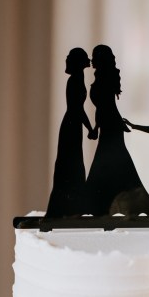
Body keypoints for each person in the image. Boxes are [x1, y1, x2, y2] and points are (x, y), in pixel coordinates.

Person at [85, 45, 149, 216]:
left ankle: (99, 202)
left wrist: (98, 127)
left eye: (94, 56)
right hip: (109, 124)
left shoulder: (104, 79)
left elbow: (106, 106)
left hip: (110, 124)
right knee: (111, 160)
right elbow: (103, 108)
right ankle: (103, 202)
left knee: (109, 160)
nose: (92, 60)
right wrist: (97, 127)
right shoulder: (102, 77)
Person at [46, 48, 95, 217]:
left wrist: (89, 127)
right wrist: (90, 128)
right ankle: (66, 205)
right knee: (70, 163)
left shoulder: (77, 79)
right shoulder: (74, 81)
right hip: (72, 125)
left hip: (73, 125)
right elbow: (77, 109)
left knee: (72, 163)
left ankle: (73, 205)